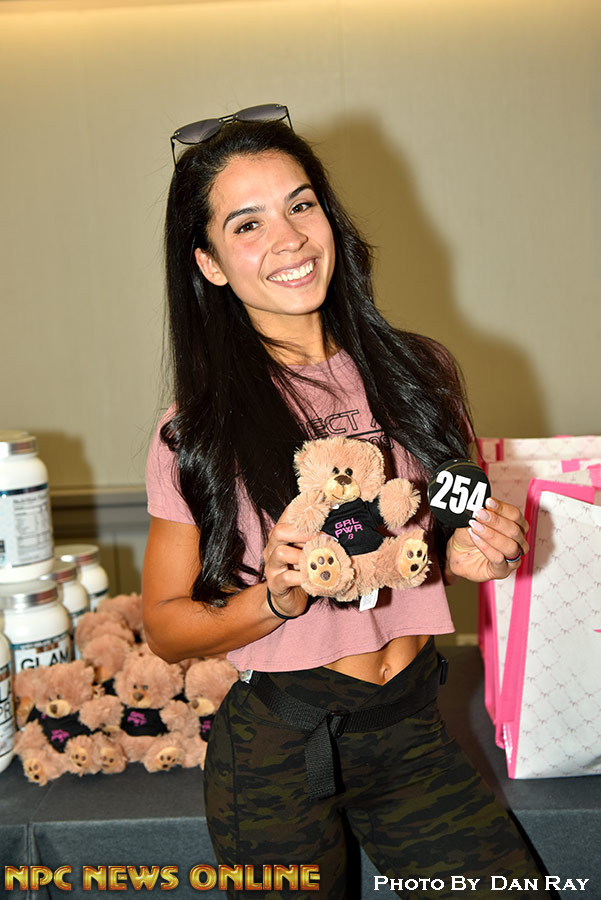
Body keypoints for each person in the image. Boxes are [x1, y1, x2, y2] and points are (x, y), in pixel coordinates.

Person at [142, 105, 552, 898]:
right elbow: (164, 628)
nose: (289, 239)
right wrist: (275, 598)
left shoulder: (420, 371)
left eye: (300, 205)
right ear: (210, 264)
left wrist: (479, 553)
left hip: (411, 727)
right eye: (247, 224)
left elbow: (443, 533)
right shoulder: (194, 429)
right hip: (280, 749)